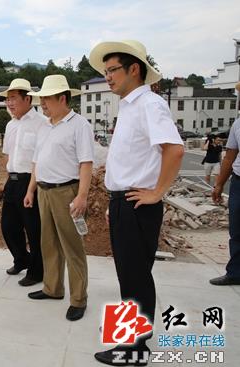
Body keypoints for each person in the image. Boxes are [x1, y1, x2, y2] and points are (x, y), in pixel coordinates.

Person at [89, 40, 184, 365]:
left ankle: (135, 351)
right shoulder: (129, 107)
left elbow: (175, 149)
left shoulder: (150, 105)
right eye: (106, 72)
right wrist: (112, 202)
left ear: (134, 69)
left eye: (113, 70)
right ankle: (129, 344)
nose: (108, 77)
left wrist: (157, 192)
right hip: (122, 203)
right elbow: (128, 161)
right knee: (127, 276)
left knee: (136, 277)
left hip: (138, 206)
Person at [23, 75, 94, 321]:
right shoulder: (44, 126)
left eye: (47, 99)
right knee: (49, 243)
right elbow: (36, 161)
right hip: (43, 191)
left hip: (67, 192)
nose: (42, 103)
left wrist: (82, 196)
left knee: (72, 247)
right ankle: (53, 288)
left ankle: (78, 299)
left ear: (62, 98)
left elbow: (86, 163)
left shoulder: (79, 125)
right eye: (41, 99)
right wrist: (31, 189)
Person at [0, 78, 45, 286]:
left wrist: (32, 189)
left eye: (14, 98)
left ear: (28, 99)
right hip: (13, 181)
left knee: (34, 230)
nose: (9, 103)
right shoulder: (10, 125)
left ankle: (37, 272)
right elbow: (7, 154)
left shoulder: (41, 123)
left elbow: (40, 158)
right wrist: (7, 179)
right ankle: (21, 259)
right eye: (7, 99)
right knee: (8, 226)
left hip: (30, 182)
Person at [210, 81, 240, 286]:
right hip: (239, 182)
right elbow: (230, 156)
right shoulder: (238, 124)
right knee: (237, 230)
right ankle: (235, 272)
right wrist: (219, 184)